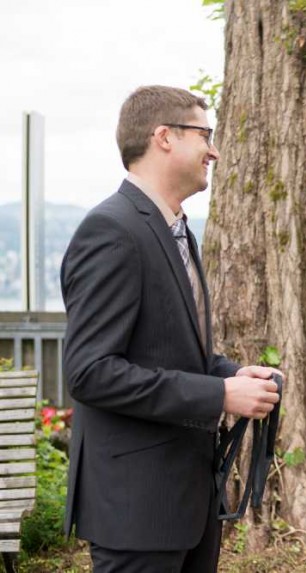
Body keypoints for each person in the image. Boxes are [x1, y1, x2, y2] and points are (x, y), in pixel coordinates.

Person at [61, 85, 283, 572]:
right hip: (137, 508)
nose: (214, 151)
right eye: (205, 134)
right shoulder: (112, 230)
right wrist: (218, 395)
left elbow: (170, 351)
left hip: (188, 501)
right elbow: (90, 372)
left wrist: (231, 374)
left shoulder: (174, 229)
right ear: (164, 137)